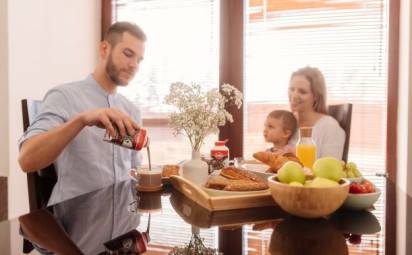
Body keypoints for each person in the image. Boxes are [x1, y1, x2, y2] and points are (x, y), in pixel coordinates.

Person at [18, 21, 146, 205]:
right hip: (75, 223)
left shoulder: (132, 111)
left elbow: (136, 171)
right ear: (104, 49)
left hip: (125, 221)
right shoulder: (64, 96)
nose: (134, 65)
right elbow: (26, 160)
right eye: (128, 54)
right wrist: (81, 120)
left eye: (139, 60)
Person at [288, 66, 345, 159]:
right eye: (292, 89)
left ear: (316, 96)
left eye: (302, 91)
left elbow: (329, 170)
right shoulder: (286, 122)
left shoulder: (330, 127)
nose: (294, 95)